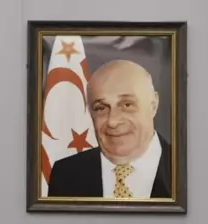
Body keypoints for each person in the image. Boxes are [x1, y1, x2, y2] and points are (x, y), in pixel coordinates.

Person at [47, 59, 171, 199]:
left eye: (127, 105)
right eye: (101, 108)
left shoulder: (187, 170)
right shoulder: (65, 175)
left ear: (153, 105)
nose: (113, 121)